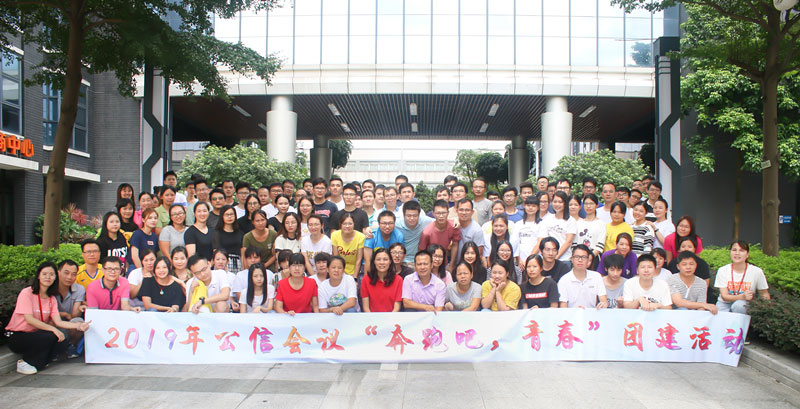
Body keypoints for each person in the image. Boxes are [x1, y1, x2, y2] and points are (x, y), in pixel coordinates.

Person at [6, 262, 91, 374]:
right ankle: (25, 362)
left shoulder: (51, 298)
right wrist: (53, 329)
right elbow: (29, 319)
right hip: (18, 336)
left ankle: (40, 362)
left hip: (37, 335)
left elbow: (58, 322)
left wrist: (79, 326)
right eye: (44, 274)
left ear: (55, 277)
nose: (48, 277)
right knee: (50, 335)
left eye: (51, 274)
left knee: (62, 340)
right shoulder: (27, 293)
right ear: (38, 276)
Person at [714, 240, 770, 314]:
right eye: (734, 250)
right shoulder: (722, 270)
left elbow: (764, 293)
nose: (737, 253)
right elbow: (724, 296)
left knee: (739, 306)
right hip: (725, 303)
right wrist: (742, 296)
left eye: (741, 250)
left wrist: (765, 308)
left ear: (747, 255)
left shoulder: (756, 271)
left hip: (744, 303)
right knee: (717, 314)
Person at [557, 245, 609, 309]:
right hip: (572, 314)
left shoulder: (596, 277)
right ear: (572, 259)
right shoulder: (564, 280)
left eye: (584, 257)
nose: (580, 260)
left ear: (588, 260)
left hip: (592, 314)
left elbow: (604, 300)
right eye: (577, 257)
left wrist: (603, 304)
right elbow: (563, 307)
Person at [54, 260, 85, 358]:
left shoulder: (79, 289)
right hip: (53, 320)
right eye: (66, 273)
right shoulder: (50, 288)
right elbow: (47, 313)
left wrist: (81, 308)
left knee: (79, 321)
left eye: (73, 274)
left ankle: (71, 345)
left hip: (69, 321)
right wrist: (64, 314)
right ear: (58, 273)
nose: (69, 277)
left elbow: (74, 315)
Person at [419, 199, 461, 272]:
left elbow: (455, 244)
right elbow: (421, 251)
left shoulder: (453, 226)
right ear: (433, 213)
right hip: (430, 263)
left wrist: (451, 265)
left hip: (444, 261)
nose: (441, 216)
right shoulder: (427, 232)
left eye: (443, 213)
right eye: (438, 213)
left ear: (448, 213)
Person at [536, 191, 577, 263]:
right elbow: (542, 239)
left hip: (564, 259)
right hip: (548, 259)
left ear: (565, 203)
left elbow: (568, 242)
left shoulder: (571, 220)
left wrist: (555, 257)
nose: (557, 204)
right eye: (555, 202)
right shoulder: (547, 219)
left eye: (560, 202)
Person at [361, 248, 403, 312]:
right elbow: (366, 307)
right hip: (371, 317)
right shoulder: (366, 279)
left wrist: (391, 317)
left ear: (390, 261)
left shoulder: (398, 280)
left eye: (385, 259)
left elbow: (397, 307)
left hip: (392, 316)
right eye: (378, 259)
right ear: (374, 262)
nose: (381, 262)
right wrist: (371, 318)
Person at [395, 200, 434, 266]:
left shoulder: (425, 221)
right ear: (403, 215)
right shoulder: (397, 223)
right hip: (402, 260)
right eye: (409, 216)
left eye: (415, 216)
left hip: (419, 260)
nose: (412, 218)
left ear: (419, 215)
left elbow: (440, 221)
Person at [576, 194, 606, 270]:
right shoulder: (578, 223)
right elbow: (575, 242)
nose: (588, 206)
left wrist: (590, 257)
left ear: (596, 205)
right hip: (578, 258)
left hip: (594, 258)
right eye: (586, 204)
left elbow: (600, 244)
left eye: (591, 203)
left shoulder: (601, 224)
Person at [212, 205, 244, 272]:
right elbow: (215, 251)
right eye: (227, 215)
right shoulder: (217, 233)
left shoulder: (240, 233)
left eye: (231, 214)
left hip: (237, 263)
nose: (229, 217)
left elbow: (242, 253)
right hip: (222, 262)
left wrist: (243, 267)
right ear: (222, 216)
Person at [454, 198, 485, 265]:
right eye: (461, 210)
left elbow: (479, 253)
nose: (464, 213)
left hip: (469, 265)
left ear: (472, 212)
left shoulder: (477, 230)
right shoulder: (452, 223)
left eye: (467, 210)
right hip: (453, 264)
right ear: (457, 211)